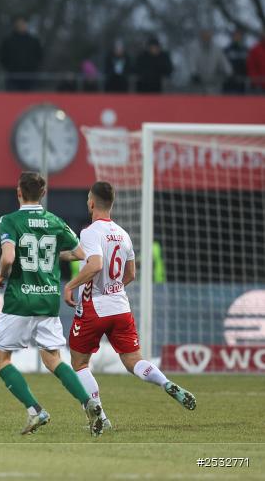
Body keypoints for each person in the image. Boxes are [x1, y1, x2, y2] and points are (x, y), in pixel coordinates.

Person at [61, 182, 196, 430]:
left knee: (79, 364)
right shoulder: (123, 234)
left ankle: (99, 416)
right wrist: (114, 288)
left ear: (91, 202)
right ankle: (165, 382)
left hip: (94, 307)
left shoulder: (90, 231)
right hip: (121, 307)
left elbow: (95, 265)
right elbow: (131, 273)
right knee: (134, 360)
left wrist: (70, 286)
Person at [0, 172, 103, 436]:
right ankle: (88, 402)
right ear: (42, 194)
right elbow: (79, 254)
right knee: (52, 358)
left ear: (19, 192)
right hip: (49, 298)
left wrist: (0, 275)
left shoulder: (9, 220)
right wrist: (53, 255)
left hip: (20, 300)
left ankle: (35, 410)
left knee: (0, 359)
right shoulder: (54, 221)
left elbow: (8, 258)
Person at [0, 17, 43, 91]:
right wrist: (9, 67)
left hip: (30, 75)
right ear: (15, 25)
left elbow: (39, 55)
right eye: (19, 24)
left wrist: (34, 66)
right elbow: (2, 56)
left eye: (23, 24)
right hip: (12, 75)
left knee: (30, 99)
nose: (21, 26)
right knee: (12, 99)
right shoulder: (8, 41)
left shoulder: (34, 41)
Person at [223, 29, 248, 94]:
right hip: (228, 83)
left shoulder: (246, 50)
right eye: (235, 36)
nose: (237, 37)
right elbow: (223, 66)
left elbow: (249, 66)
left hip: (242, 84)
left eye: (239, 36)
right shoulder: (226, 50)